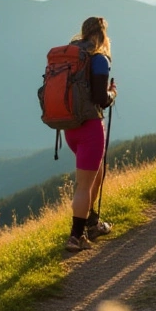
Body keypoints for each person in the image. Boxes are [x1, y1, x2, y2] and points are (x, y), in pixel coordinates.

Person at [62, 16, 118, 252]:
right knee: (84, 185)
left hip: (70, 127)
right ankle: (76, 237)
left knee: (97, 174)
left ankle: (91, 221)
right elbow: (100, 99)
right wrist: (113, 93)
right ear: (102, 35)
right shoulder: (98, 59)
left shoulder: (70, 56)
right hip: (91, 129)